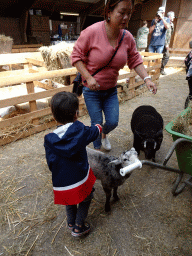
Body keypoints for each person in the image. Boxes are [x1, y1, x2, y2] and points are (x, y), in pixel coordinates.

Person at [71, 0, 157, 151]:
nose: (126, 17)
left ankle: (104, 135)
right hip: (92, 91)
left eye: (129, 13)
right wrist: (89, 77)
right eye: (122, 12)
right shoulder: (91, 32)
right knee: (96, 123)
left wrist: (147, 78)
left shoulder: (127, 37)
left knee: (112, 122)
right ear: (109, 12)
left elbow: (135, 59)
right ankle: (97, 151)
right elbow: (76, 57)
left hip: (110, 90)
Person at [44, 91, 102, 237]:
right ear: (76, 114)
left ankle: (70, 222)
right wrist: (99, 127)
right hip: (80, 178)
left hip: (62, 182)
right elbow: (93, 132)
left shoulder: (49, 139)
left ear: (53, 116)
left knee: (69, 200)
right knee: (86, 198)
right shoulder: (80, 130)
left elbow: (50, 162)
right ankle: (79, 227)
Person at [184, 40, 192, 108]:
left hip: (189, 76)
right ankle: (187, 109)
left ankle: (187, 108)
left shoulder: (190, 54)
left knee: (191, 93)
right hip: (190, 76)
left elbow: (186, 62)